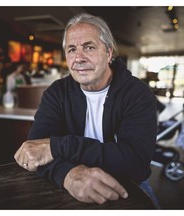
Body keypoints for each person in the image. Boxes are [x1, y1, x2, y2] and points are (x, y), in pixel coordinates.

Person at [14, 13, 159, 207]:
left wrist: (57, 147)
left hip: (128, 185)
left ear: (108, 53)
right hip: (70, 184)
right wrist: (67, 174)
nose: (79, 58)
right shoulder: (57, 92)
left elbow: (135, 164)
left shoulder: (137, 93)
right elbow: (36, 150)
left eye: (89, 47)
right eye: (71, 49)